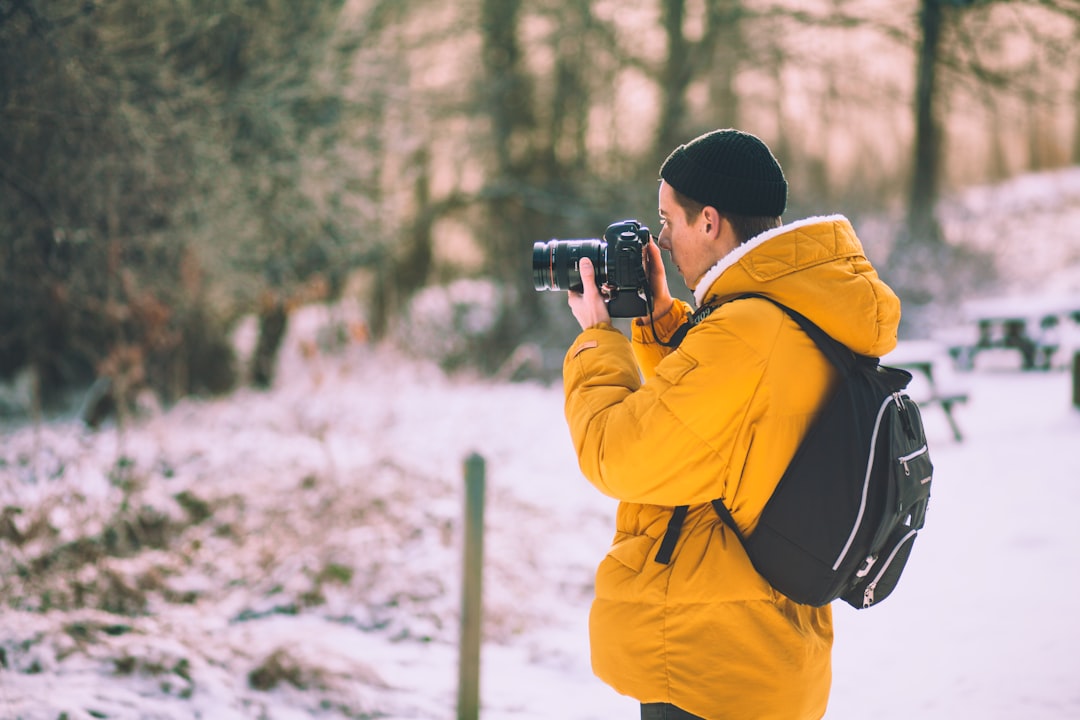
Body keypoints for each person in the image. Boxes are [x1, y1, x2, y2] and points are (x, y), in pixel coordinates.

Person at [561, 128, 901, 720]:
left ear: (710, 222)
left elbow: (617, 454)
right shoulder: (794, 310)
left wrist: (596, 338)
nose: (661, 241)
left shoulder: (745, 335)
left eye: (668, 220)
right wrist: (664, 319)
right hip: (761, 648)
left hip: (710, 664)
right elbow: (727, 432)